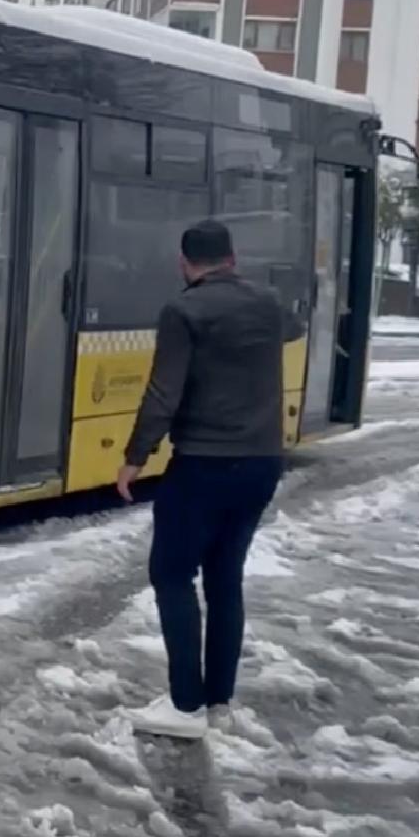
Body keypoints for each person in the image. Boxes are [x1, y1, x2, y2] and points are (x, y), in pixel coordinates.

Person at [118, 218, 303, 740]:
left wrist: (135, 457)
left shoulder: (183, 311)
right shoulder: (266, 304)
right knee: (226, 578)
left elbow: (162, 395)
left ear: (185, 263)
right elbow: (295, 327)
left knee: (172, 574)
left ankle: (184, 706)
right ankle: (217, 697)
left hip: (203, 464)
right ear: (233, 259)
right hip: (263, 464)